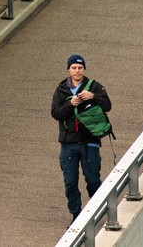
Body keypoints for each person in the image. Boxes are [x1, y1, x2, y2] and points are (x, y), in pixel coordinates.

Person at [51, 54, 114, 220]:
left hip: (90, 142)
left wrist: (94, 97)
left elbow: (108, 105)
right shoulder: (61, 89)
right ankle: (76, 216)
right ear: (69, 69)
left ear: (83, 69)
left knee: (93, 180)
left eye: (79, 68)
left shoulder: (93, 86)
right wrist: (70, 104)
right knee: (70, 183)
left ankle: (98, 212)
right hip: (68, 143)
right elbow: (56, 113)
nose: (77, 71)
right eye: (73, 68)